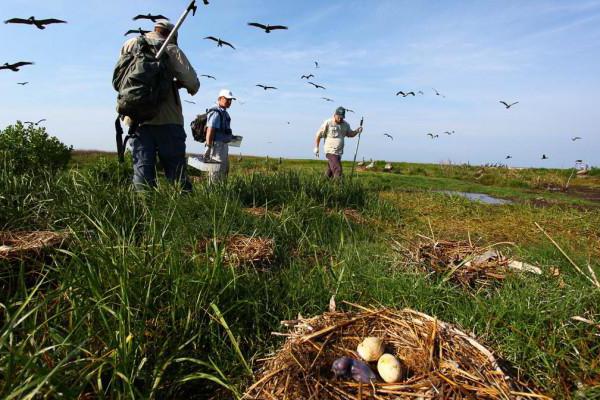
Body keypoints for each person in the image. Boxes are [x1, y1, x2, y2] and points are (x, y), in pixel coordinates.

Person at [120, 19, 200, 191]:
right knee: (176, 172)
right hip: (168, 119)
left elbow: (121, 78)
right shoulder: (171, 49)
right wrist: (176, 83)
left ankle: (145, 212)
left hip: (136, 118)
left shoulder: (130, 44)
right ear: (172, 35)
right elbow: (193, 83)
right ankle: (185, 212)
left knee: (142, 171)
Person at [314, 107, 363, 178]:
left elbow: (350, 134)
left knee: (329, 172)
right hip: (330, 151)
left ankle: (322, 185)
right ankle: (338, 187)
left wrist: (357, 130)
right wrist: (316, 147)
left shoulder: (345, 124)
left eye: (342, 117)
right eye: (339, 117)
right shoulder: (328, 122)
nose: (340, 119)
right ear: (335, 115)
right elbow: (319, 134)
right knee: (338, 170)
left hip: (339, 152)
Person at [204, 89, 235, 183]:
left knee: (223, 171)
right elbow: (210, 130)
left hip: (223, 146)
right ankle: (212, 194)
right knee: (216, 172)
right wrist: (208, 147)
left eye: (231, 100)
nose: (229, 102)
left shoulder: (224, 112)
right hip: (217, 147)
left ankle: (220, 193)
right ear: (220, 98)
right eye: (227, 99)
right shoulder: (216, 112)